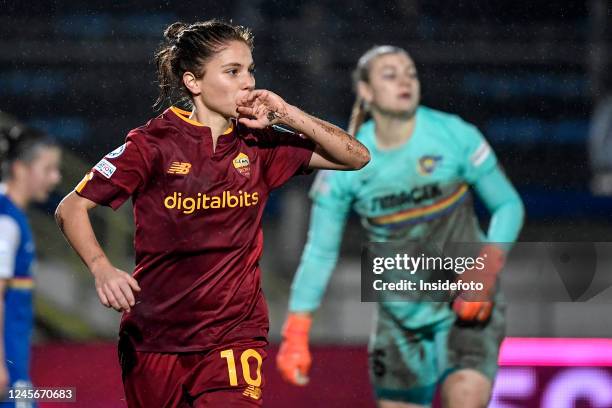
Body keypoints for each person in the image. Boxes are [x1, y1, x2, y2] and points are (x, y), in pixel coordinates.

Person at [54, 20, 369, 408]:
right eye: (233, 71)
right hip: (156, 337)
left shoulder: (259, 142)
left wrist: (287, 113)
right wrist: (102, 268)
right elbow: (71, 207)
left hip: (235, 334)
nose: (248, 82)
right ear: (193, 82)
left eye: (250, 69)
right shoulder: (152, 144)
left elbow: (357, 157)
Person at [277, 45, 524, 408]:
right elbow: (320, 251)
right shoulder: (345, 161)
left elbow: (508, 206)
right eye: (390, 75)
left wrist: (485, 271)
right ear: (366, 91)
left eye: (410, 72)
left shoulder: (454, 135)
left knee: (466, 396)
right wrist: (296, 329)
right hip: (399, 312)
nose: (405, 80)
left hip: (467, 299)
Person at [0, 125, 61, 407]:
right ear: (21, 169)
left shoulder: (13, 218)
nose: (56, 178)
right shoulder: (6, 223)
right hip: (8, 377)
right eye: (48, 169)